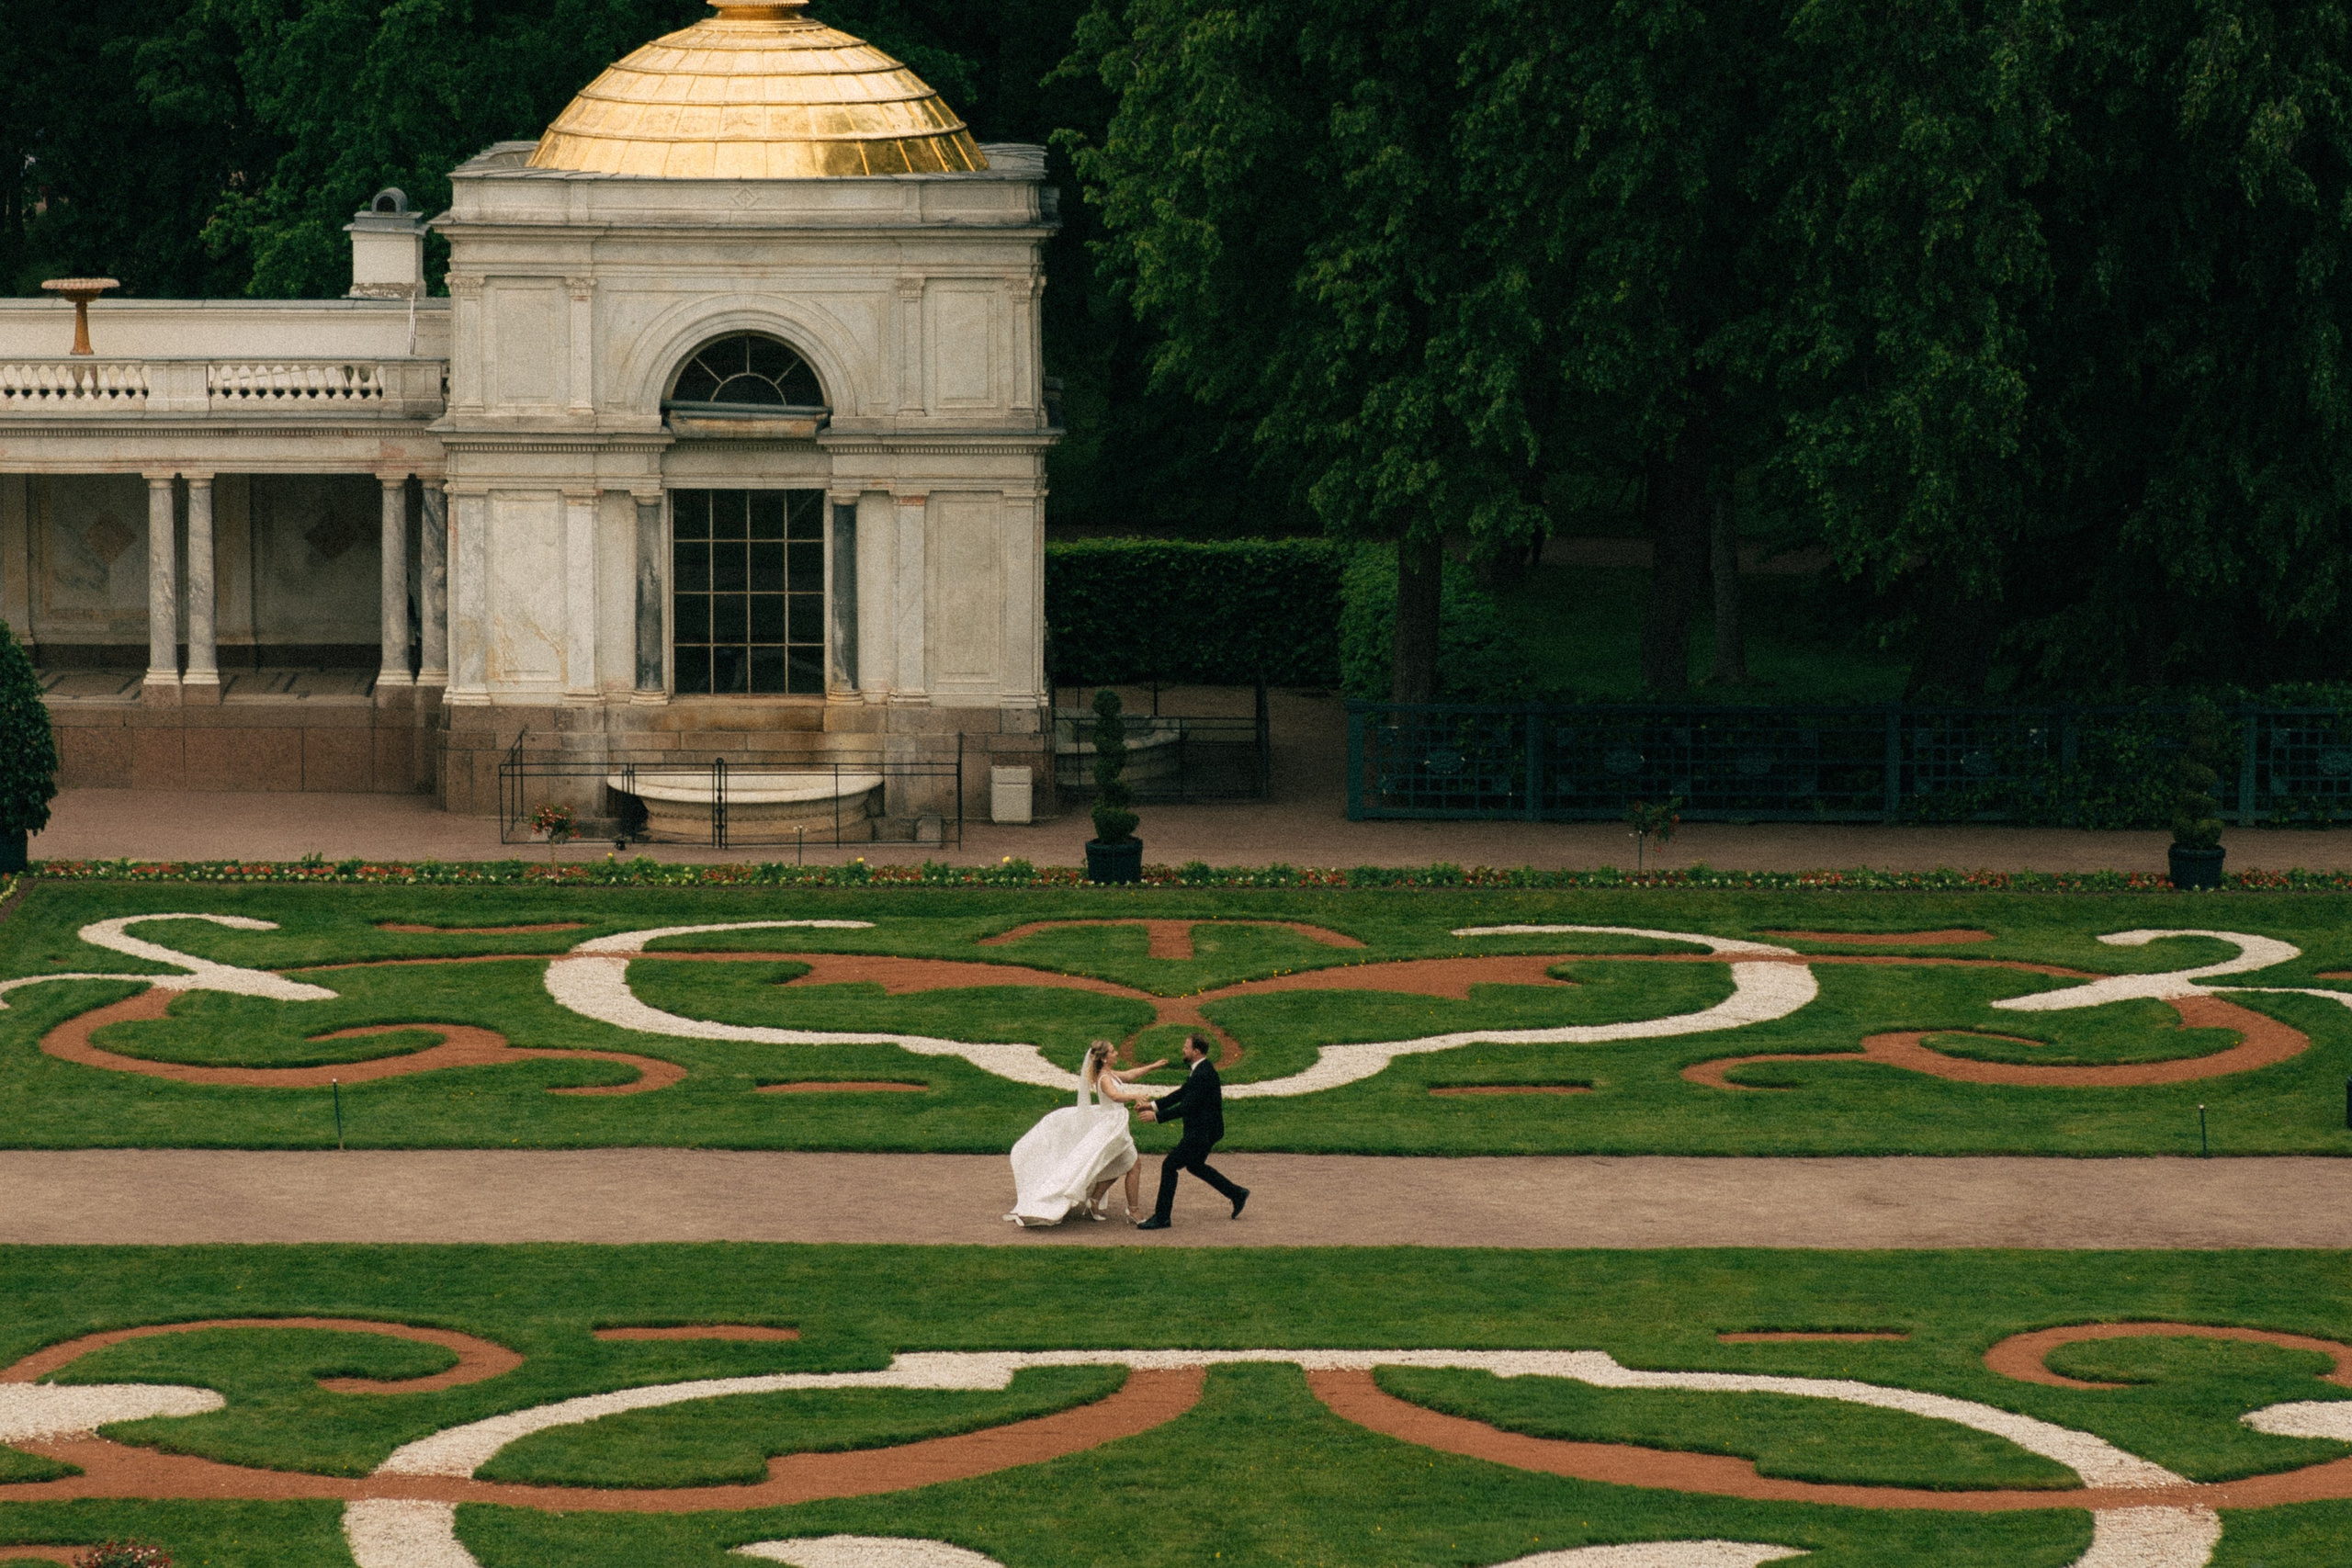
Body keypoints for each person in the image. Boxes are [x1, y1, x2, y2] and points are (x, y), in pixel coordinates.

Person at [1004, 1042, 1166, 1226]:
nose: (1116, 1053)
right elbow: (1114, 1096)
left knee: (1120, 1163)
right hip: (1112, 1127)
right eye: (1113, 1051)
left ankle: (1095, 1201)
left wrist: (1153, 1066)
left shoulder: (1110, 1074)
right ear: (1104, 1058)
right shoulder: (1104, 1078)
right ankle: (1132, 1210)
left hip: (1116, 1125)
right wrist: (1134, 1096)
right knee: (1133, 1165)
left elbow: (1130, 1075)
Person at [1134, 1033, 1248, 1230]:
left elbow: (1187, 1106)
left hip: (1201, 1133)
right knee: (1195, 1165)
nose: (1183, 1050)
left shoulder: (1203, 1074)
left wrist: (1156, 1117)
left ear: (1196, 1051)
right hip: (1206, 1131)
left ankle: (1162, 1217)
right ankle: (1237, 1194)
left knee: (1169, 1166)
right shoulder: (1201, 1069)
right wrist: (1152, 1106)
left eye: (1186, 1047)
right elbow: (1182, 1093)